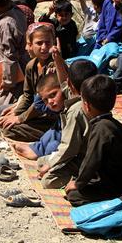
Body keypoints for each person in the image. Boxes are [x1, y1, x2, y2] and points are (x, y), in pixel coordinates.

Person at [65, 75, 122, 206]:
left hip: (118, 187)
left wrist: (78, 183)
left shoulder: (101, 129)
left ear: (87, 106)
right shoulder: (118, 126)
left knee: (73, 195)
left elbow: (91, 161)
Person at [34, 60, 99, 188]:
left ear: (70, 84)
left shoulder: (76, 110)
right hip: (79, 153)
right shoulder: (83, 97)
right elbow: (63, 82)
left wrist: (51, 165)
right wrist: (57, 58)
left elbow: (69, 147)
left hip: (84, 157)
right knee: (41, 161)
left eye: (53, 95)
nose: (50, 102)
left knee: (47, 181)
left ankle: (78, 179)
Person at [0, 23, 58, 141]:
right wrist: (16, 113)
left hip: (51, 114)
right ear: (31, 45)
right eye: (39, 43)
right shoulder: (31, 66)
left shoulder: (54, 67)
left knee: (11, 129)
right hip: (36, 111)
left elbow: (41, 103)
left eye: (48, 43)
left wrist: (20, 118)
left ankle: (53, 135)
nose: (44, 47)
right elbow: (28, 95)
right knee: (2, 113)